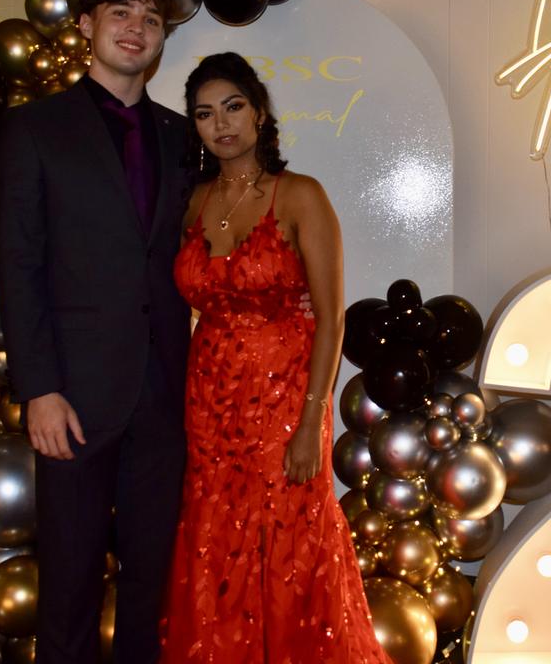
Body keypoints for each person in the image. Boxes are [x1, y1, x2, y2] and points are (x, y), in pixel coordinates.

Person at [0, 0, 190, 664]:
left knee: (149, 583)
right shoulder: (33, 129)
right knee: (70, 583)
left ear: (163, 39)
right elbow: (18, 265)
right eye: (120, 14)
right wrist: (37, 388)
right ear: (85, 26)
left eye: (151, 20)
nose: (136, 29)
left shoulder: (178, 136)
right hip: (70, 395)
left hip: (165, 395)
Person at [160, 52, 388, 662]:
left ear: (259, 112)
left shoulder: (300, 196)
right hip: (209, 401)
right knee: (215, 538)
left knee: (289, 541)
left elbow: (331, 316)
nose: (221, 123)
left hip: (285, 397)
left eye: (233, 106)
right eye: (205, 113)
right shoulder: (192, 202)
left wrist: (312, 419)